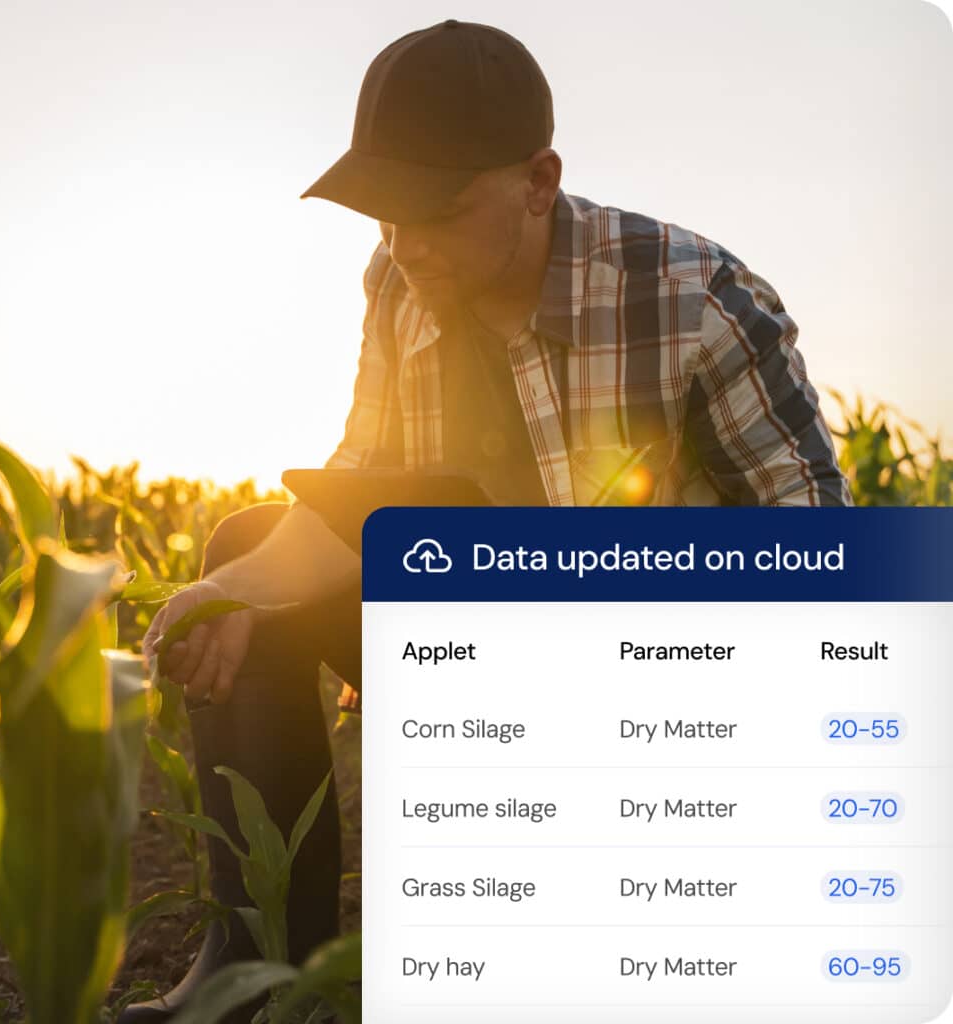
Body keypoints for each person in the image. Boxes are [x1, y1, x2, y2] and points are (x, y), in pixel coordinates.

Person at [119, 18, 851, 1023]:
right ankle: (258, 971)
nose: (402, 242)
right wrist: (245, 589)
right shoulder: (397, 283)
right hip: (478, 643)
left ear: (539, 181)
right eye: (382, 213)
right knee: (245, 550)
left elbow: (816, 552)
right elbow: (356, 488)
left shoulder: (694, 299)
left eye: (436, 210)